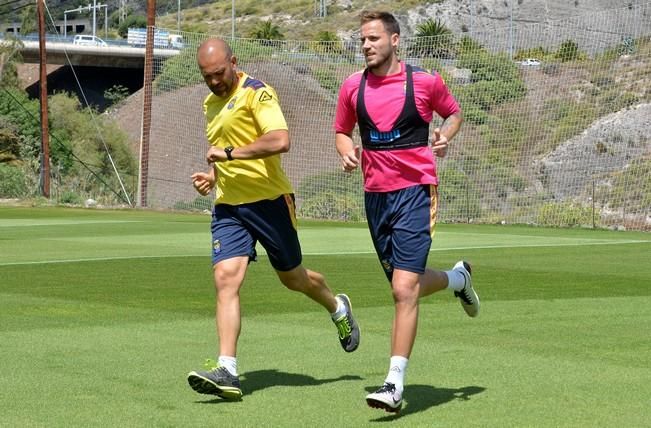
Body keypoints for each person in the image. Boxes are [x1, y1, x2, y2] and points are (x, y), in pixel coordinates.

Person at [187, 38, 360, 400]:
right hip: (228, 208)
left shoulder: (257, 93)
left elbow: (280, 140)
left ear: (234, 62)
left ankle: (336, 306)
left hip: (269, 202)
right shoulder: (210, 103)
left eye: (219, 73)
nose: (215, 82)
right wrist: (215, 176)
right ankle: (228, 370)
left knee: (293, 279)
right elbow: (224, 153)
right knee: (225, 279)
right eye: (207, 77)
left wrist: (230, 154)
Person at [333, 11, 480, 413]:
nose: (366, 45)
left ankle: (394, 384)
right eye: (362, 39)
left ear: (395, 40)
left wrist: (444, 137)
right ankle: (456, 279)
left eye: (374, 38)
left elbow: (454, 112)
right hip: (375, 197)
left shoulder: (425, 82)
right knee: (406, 286)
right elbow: (342, 130)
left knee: (402, 289)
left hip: (416, 193)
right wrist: (346, 151)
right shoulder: (352, 87)